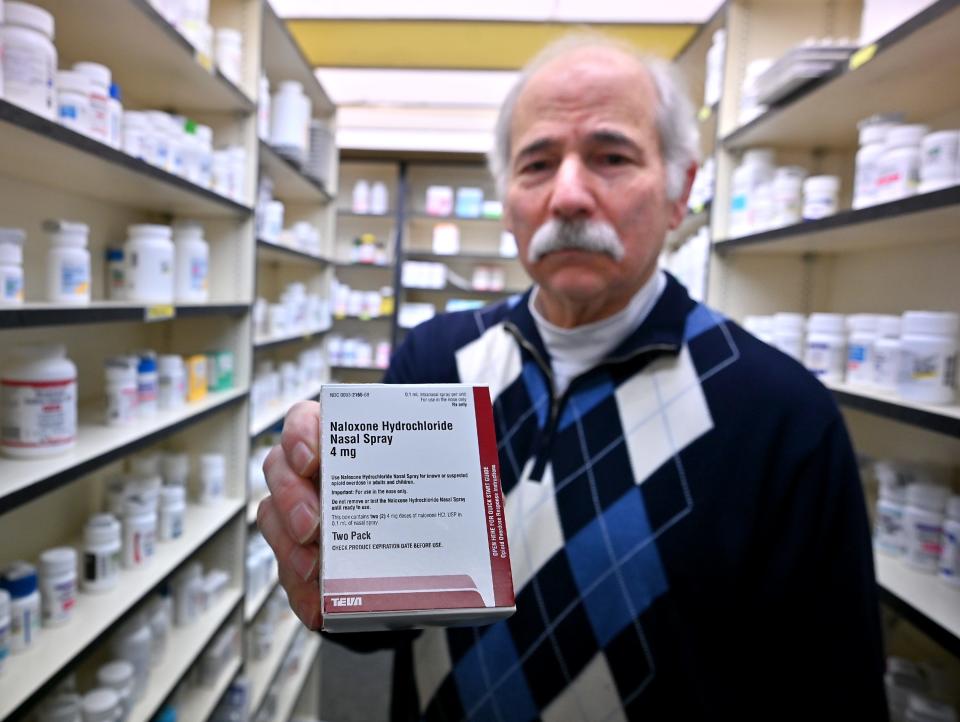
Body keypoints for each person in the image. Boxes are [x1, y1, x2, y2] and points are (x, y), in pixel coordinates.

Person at [258, 34, 887, 721]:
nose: (568, 195)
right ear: (507, 200)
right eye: (536, 163)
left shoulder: (780, 415)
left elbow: (836, 689)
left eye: (611, 157)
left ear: (681, 193)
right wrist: (330, 577)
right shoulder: (436, 364)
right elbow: (390, 629)